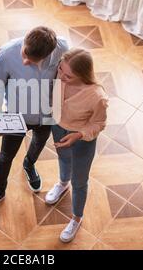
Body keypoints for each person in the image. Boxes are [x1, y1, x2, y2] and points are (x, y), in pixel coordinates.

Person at [0, 26, 69, 218]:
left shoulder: (63, 48)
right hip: (16, 117)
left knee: (39, 142)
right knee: (5, 156)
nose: (25, 60)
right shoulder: (7, 53)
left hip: (46, 115)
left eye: (31, 60)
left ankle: (29, 164)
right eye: (24, 54)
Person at [46, 48, 108, 243]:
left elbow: (99, 124)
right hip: (57, 127)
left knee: (80, 181)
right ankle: (62, 184)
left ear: (82, 74)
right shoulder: (60, 74)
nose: (62, 77)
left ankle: (76, 218)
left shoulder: (97, 96)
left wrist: (79, 134)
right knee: (63, 159)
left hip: (81, 139)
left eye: (68, 76)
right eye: (61, 70)